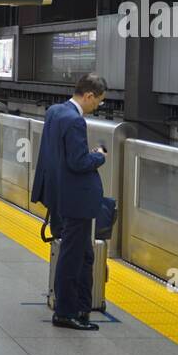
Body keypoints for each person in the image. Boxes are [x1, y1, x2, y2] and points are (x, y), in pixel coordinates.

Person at [32, 73, 109, 331]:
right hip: (76, 201)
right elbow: (78, 163)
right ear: (88, 95)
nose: (97, 106)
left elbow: (60, 157)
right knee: (72, 257)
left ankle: (81, 307)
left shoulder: (55, 111)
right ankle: (65, 312)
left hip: (59, 195)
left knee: (83, 255)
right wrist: (98, 156)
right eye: (97, 101)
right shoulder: (75, 121)